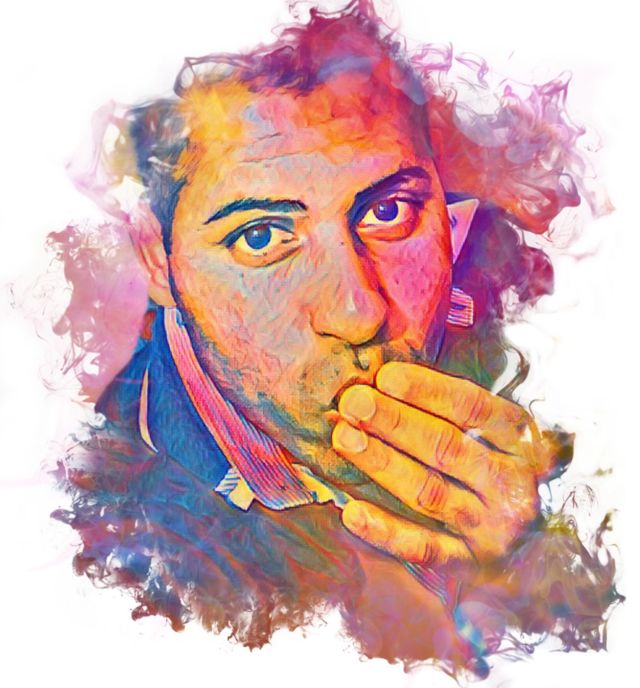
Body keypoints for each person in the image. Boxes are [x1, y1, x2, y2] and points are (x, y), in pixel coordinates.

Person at [52, 0, 620, 676]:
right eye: (260, 236)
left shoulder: (552, 319)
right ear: (157, 261)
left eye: (388, 211)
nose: (358, 312)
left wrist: (541, 560)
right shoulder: (94, 537)